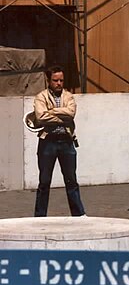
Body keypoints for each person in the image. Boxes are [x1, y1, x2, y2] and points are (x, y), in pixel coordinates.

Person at [33, 65, 86, 217]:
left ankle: (78, 214)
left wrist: (52, 113)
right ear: (48, 80)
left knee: (71, 180)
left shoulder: (68, 96)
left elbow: (71, 113)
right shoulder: (41, 97)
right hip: (48, 142)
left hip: (66, 141)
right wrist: (61, 117)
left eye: (61, 80)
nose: (59, 83)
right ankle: (40, 216)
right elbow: (41, 117)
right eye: (55, 80)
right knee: (44, 181)